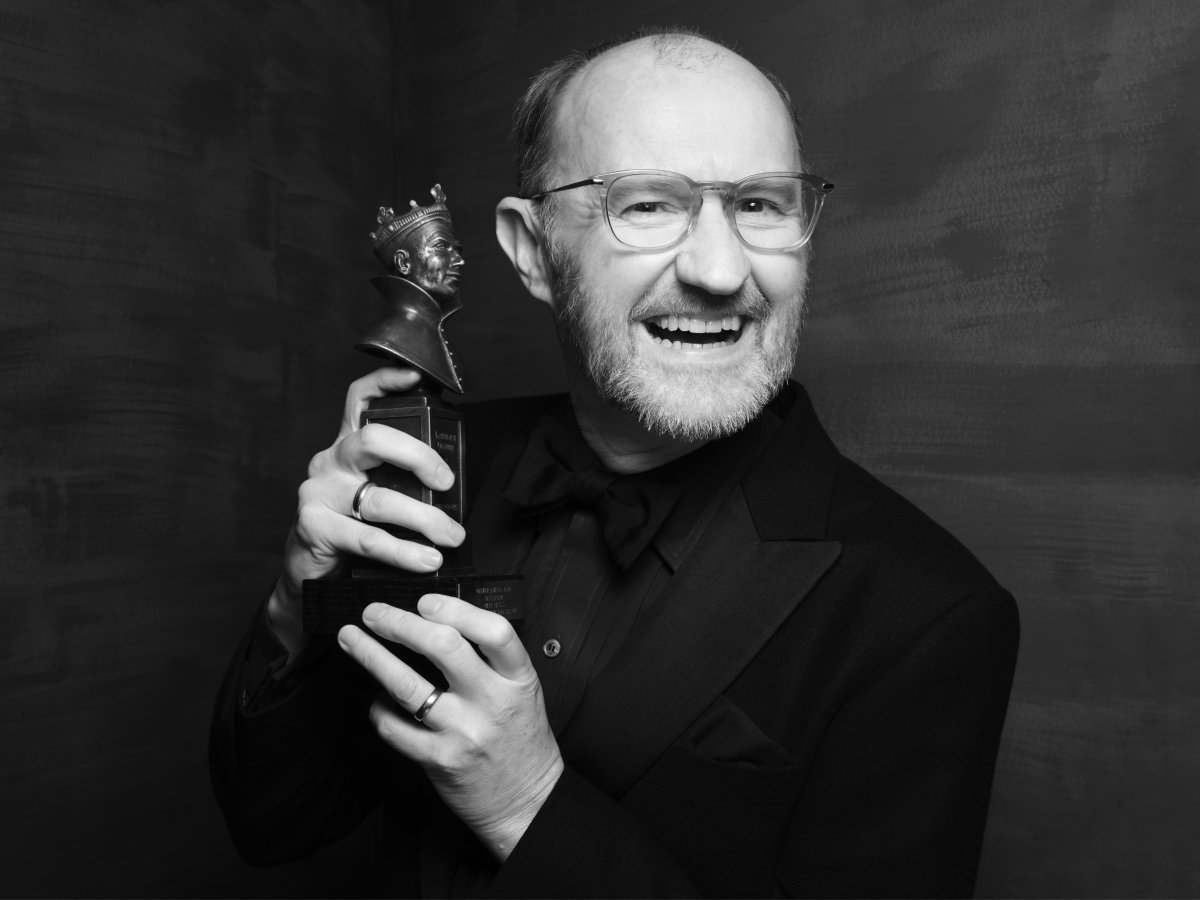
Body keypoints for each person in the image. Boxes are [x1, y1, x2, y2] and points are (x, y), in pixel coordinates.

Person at [210, 28, 1019, 898]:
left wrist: (527, 803)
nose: (719, 269)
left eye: (760, 205)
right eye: (647, 205)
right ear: (532, 252)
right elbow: (274, 823)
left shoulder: (930, 615)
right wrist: (298, 605)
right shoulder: (432, 471)